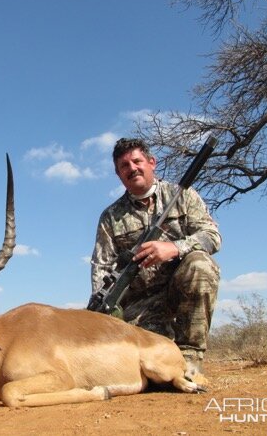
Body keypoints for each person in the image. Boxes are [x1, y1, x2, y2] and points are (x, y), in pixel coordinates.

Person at [90, 138, 221, 376]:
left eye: (137, 161)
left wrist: (174, 248)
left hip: (180, 293)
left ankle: (190, 356)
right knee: (141, 364)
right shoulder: (110, 217)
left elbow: (212, 236)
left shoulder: (182, 195)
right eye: (124, 166)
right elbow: (101, 268)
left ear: (152, 163)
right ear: (118, 174)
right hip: (140, 305)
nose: (132, 169)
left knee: (200, 264)